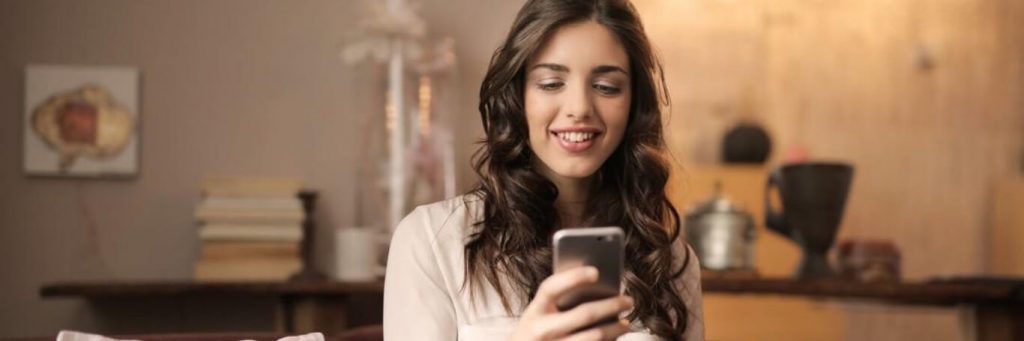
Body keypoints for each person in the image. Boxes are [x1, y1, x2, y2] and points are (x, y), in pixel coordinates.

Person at [383, 0, 704, 340]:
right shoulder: (433, 240)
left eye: (606, 87)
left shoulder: (669, 260)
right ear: (517, 96)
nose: (579, 108)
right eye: (551, 84)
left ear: (633, 104)